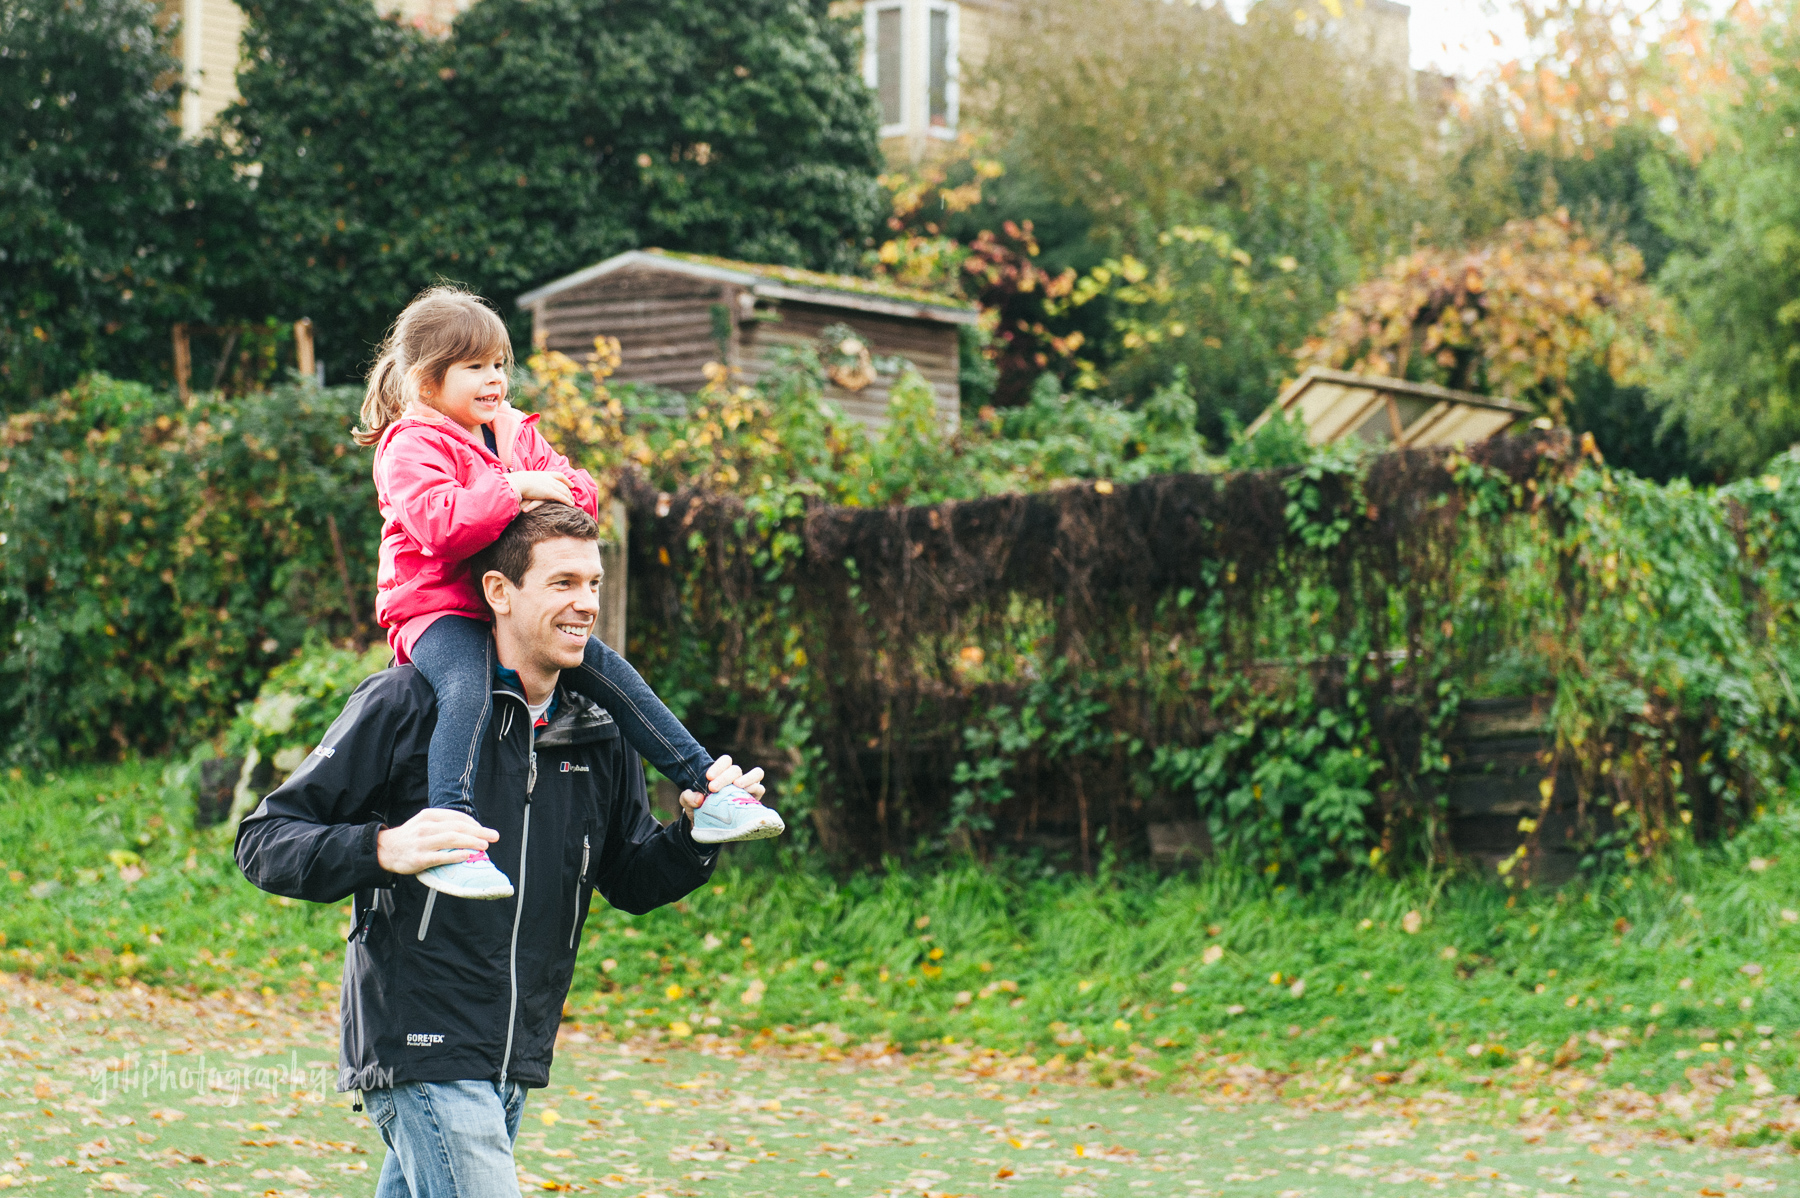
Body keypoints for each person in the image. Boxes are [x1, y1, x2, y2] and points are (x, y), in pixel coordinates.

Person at [236, 504, 741, 1196]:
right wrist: (384, 847)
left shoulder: (601, 730)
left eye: (592, 584)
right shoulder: (404, 704)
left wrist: (695, 834)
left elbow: (630, 878)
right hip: (418, 1042)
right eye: (562, 583)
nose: (586, 605)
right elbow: (264, 839)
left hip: (517, 1052)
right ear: (499, 593)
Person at [354, 285, 783, 899]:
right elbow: (439, 524)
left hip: (508, 606)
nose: (494, 378)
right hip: (436, 608)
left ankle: (710, 788)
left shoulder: (511, 432)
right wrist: (519, 488)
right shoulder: (411, 444)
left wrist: (533, 483)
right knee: (466, 684)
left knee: (611, 671)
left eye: (500, 363)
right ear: (426, 381)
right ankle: (451, 836)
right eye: (473, 366)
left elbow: (578, 494)